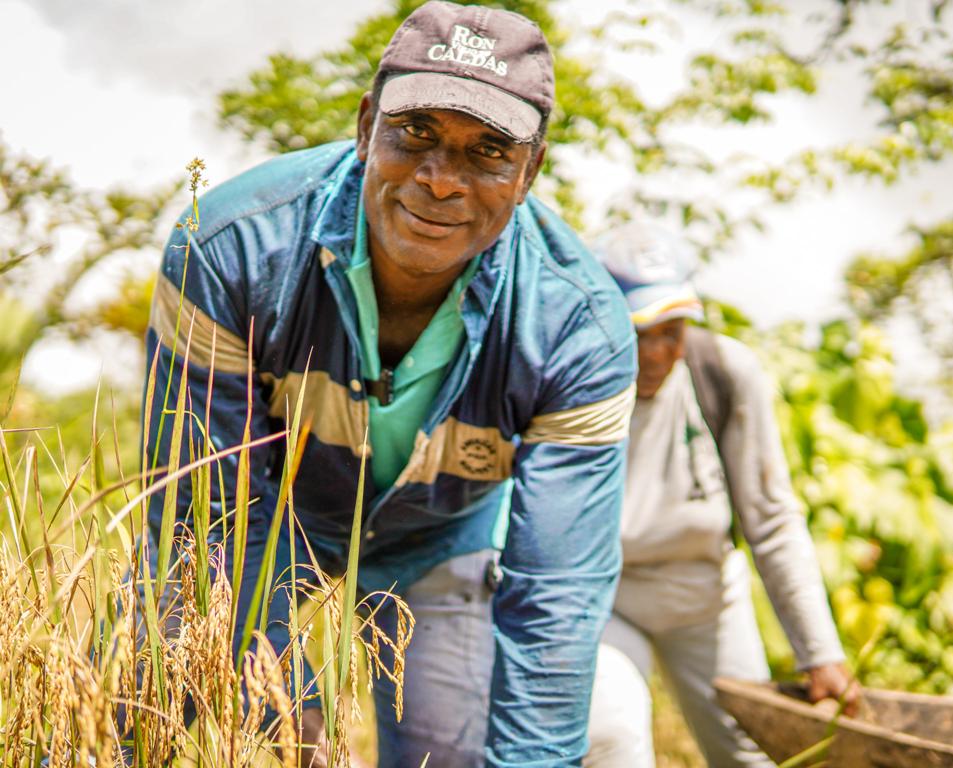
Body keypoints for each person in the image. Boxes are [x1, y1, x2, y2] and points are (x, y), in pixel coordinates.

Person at [144, 3, 636, 766]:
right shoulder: (231, 249)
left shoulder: (580, 328)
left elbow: (557, 602)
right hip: (267, 519)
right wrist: (274, 695)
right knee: (165, 708)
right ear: (367, 124)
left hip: (440, 536)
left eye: (489, 152)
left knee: (449, 754)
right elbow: (203, 522)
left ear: (530, 171)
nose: (441, 182)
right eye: (417, 135)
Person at [585, 221, 860, 768]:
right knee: (611, 739)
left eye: (672, 330)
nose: (657, 353)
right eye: (637, 332)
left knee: (749, 753)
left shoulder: (725, 372)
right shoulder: (568, 379)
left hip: (706, 595)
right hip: (607, 597)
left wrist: (820, 653)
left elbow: (772, 520)